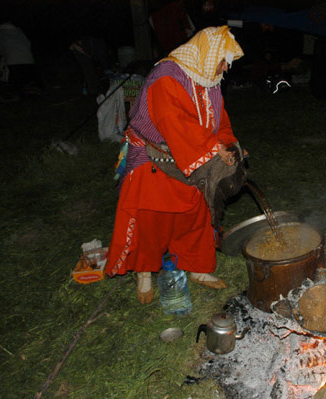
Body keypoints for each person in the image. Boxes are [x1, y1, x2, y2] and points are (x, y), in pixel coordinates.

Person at [105, 26, 245, 304]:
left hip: (192, 151)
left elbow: (219, 119)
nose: (225, 69)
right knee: (152, 218)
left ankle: (197, 268)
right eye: (223, 61)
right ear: (208, 55)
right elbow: (173, 121)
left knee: (196, 213)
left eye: (227, 64)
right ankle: (144, 273)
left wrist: (228, 144)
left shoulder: (209, 78)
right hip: (153, 155)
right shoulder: (165, 77)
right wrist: (211, 147)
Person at [0, 20, 43, 98]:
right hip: (27, 57)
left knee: (15, 78)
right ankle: (37, 93)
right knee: (30, 77)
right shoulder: (18, 31)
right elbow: (28, 43)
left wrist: (4, 54)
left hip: (12, 59)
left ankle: (17, 95)